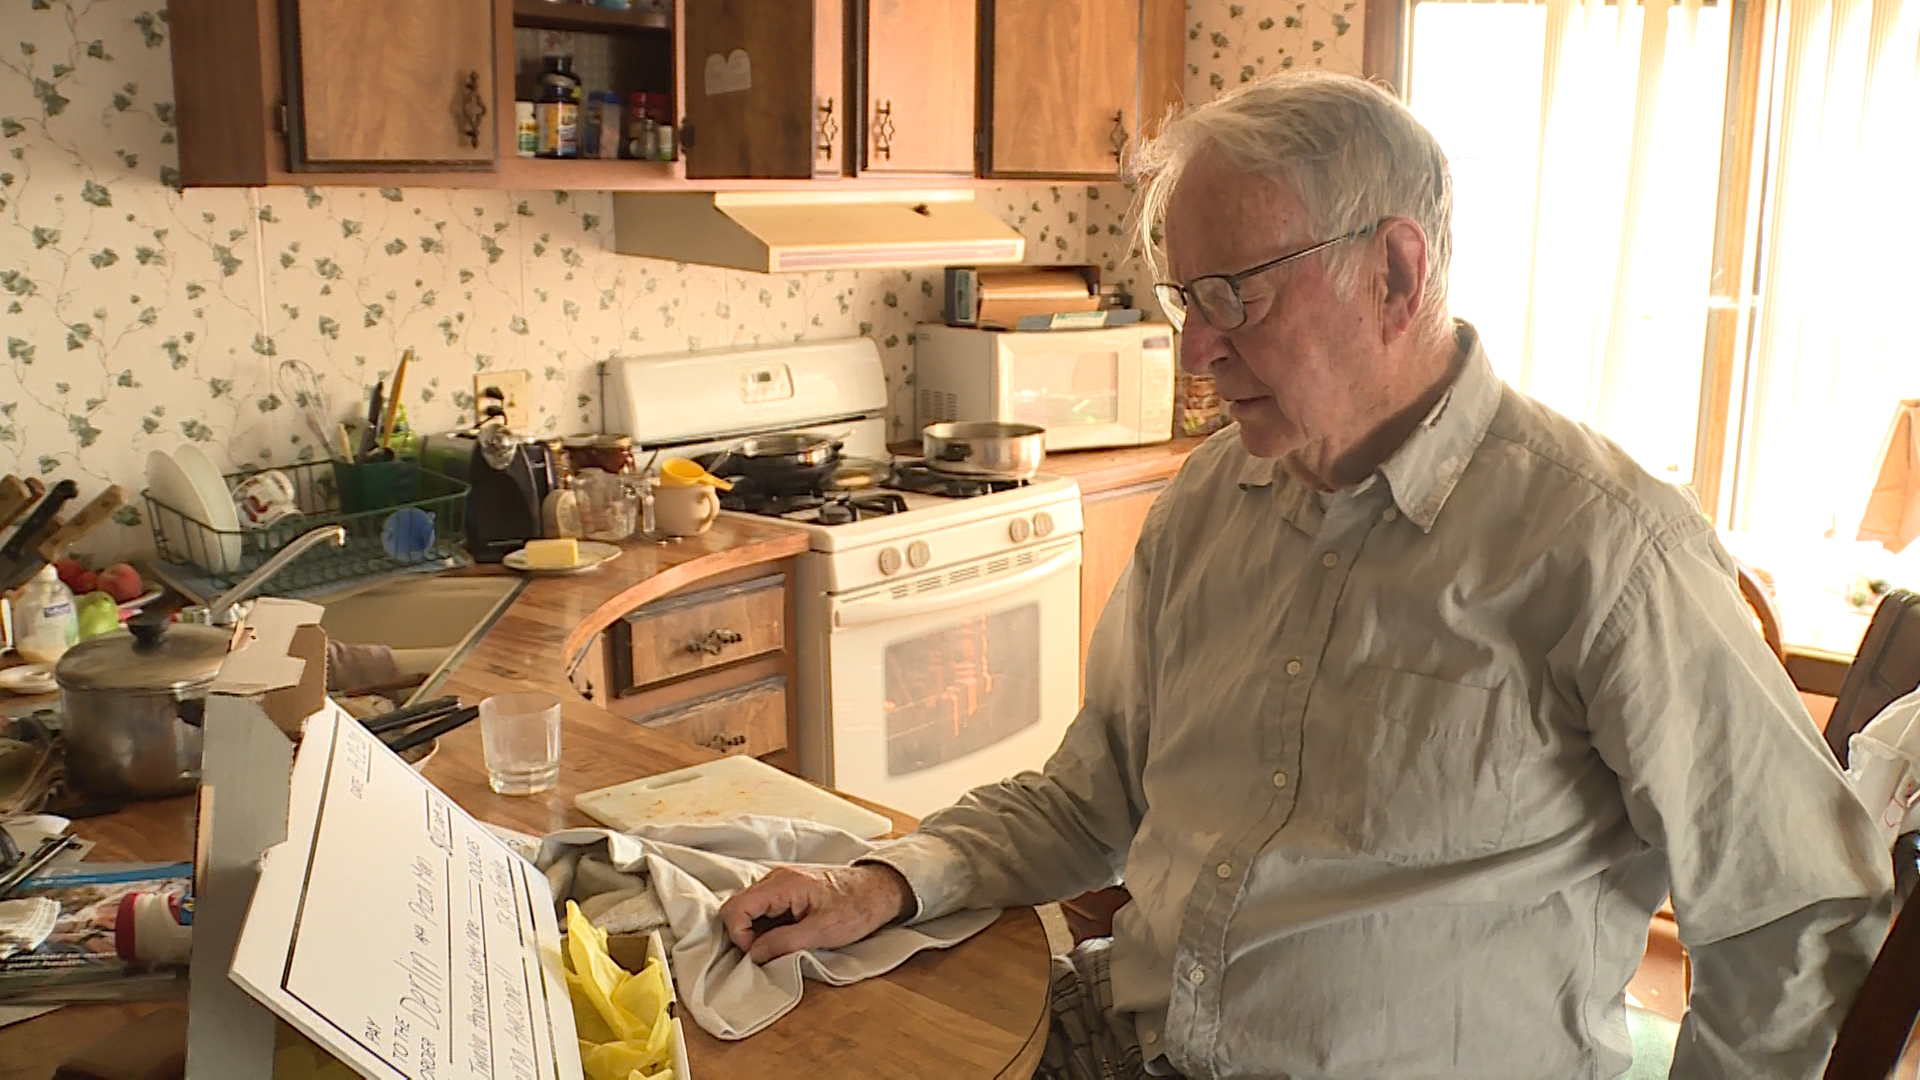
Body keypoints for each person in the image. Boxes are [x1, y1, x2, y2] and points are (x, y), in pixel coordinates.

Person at [719, 71, 1893, 1078]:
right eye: (1186, 299)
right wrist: (884, 880)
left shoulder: (1606, 550)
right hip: (1120, 1044)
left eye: (1234, 294)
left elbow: (1800, 916)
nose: (1195, 349)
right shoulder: (1205, 503)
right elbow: (1094, 797)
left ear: (1395, 271)